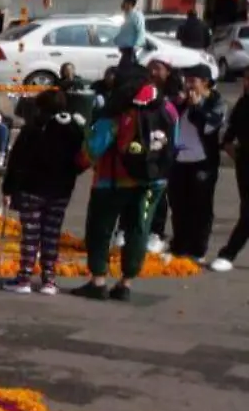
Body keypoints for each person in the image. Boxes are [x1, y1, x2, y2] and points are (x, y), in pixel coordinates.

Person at [75, 81, 180, 301]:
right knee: (139, 228)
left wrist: (76, 163)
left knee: (101, 228)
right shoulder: (168, 110)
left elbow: (93, 149)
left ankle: (98, 281)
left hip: (112, 184)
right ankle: (126, 283)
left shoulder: (117, 113)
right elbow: (174, 144)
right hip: (153, 184)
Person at [0, 89, 88, 295]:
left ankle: (24, 278)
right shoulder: (74, 128)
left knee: (30, 234)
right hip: (61, 189)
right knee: (51, 233)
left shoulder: (33, 128)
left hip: (32, 187)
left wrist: (8, 188)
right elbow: (83, 156)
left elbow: (17, 159)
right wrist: (71, 173)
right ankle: (49, 279)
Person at [166, 67, 227, 259]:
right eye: (187, 81)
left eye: (193, 81)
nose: (189, 85)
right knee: (178, 204)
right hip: (179, 160)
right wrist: (179, 104)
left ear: (205, 82)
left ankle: (197, 248)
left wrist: (196, 107)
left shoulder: (216, 102)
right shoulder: (182, 100)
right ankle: (179, 245)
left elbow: (209, 126)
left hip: (202, 163)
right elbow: (168, 118)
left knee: (200, 206)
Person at [209, 83, 249, 271]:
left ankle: (228, 253)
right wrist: (235, 153)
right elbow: (229, 136)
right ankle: (228, 254)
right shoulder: (243, 103)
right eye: (246, 79)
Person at [115, 0, 146, 70]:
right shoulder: (127, 16)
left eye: (124, 3)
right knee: (124, 70)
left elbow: (141, 31)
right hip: (125, 50)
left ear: (130, 4)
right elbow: (124, 32)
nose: (122, 5)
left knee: (127, 70)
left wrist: (136, 46)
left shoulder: (137, 16)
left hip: (131, 49)